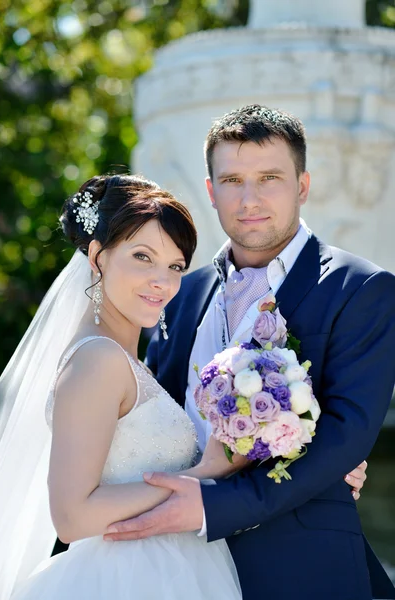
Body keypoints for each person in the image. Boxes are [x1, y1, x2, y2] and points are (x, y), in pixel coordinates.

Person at [105, 106, 395, 600]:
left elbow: (345, 437)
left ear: (302, 186)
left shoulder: (362, 288)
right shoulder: (180, 292)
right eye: (233, 179)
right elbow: (151, 412)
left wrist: (210, 506)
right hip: (177, 568)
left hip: (302, 567)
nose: (250, 198)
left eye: (269, 178)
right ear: (212, 190)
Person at [0, 174, 251, 600]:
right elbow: (72, 517)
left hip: (172, 568)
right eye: (142, 257)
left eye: (174, 267)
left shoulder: (125, 360)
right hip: (127, 580)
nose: (162, 282)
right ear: (97, 257)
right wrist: (201, 473)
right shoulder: (98, 360)